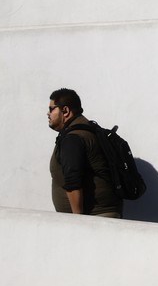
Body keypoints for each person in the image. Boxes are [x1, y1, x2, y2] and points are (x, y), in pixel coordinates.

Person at [48, 88, 122, 218]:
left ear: (65, 111)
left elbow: (72, 181)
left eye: (51, 109)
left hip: (95, 219)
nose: (48, 113)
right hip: (101, 217)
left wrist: (78, 221)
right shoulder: (87, 129)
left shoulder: (73, 138)